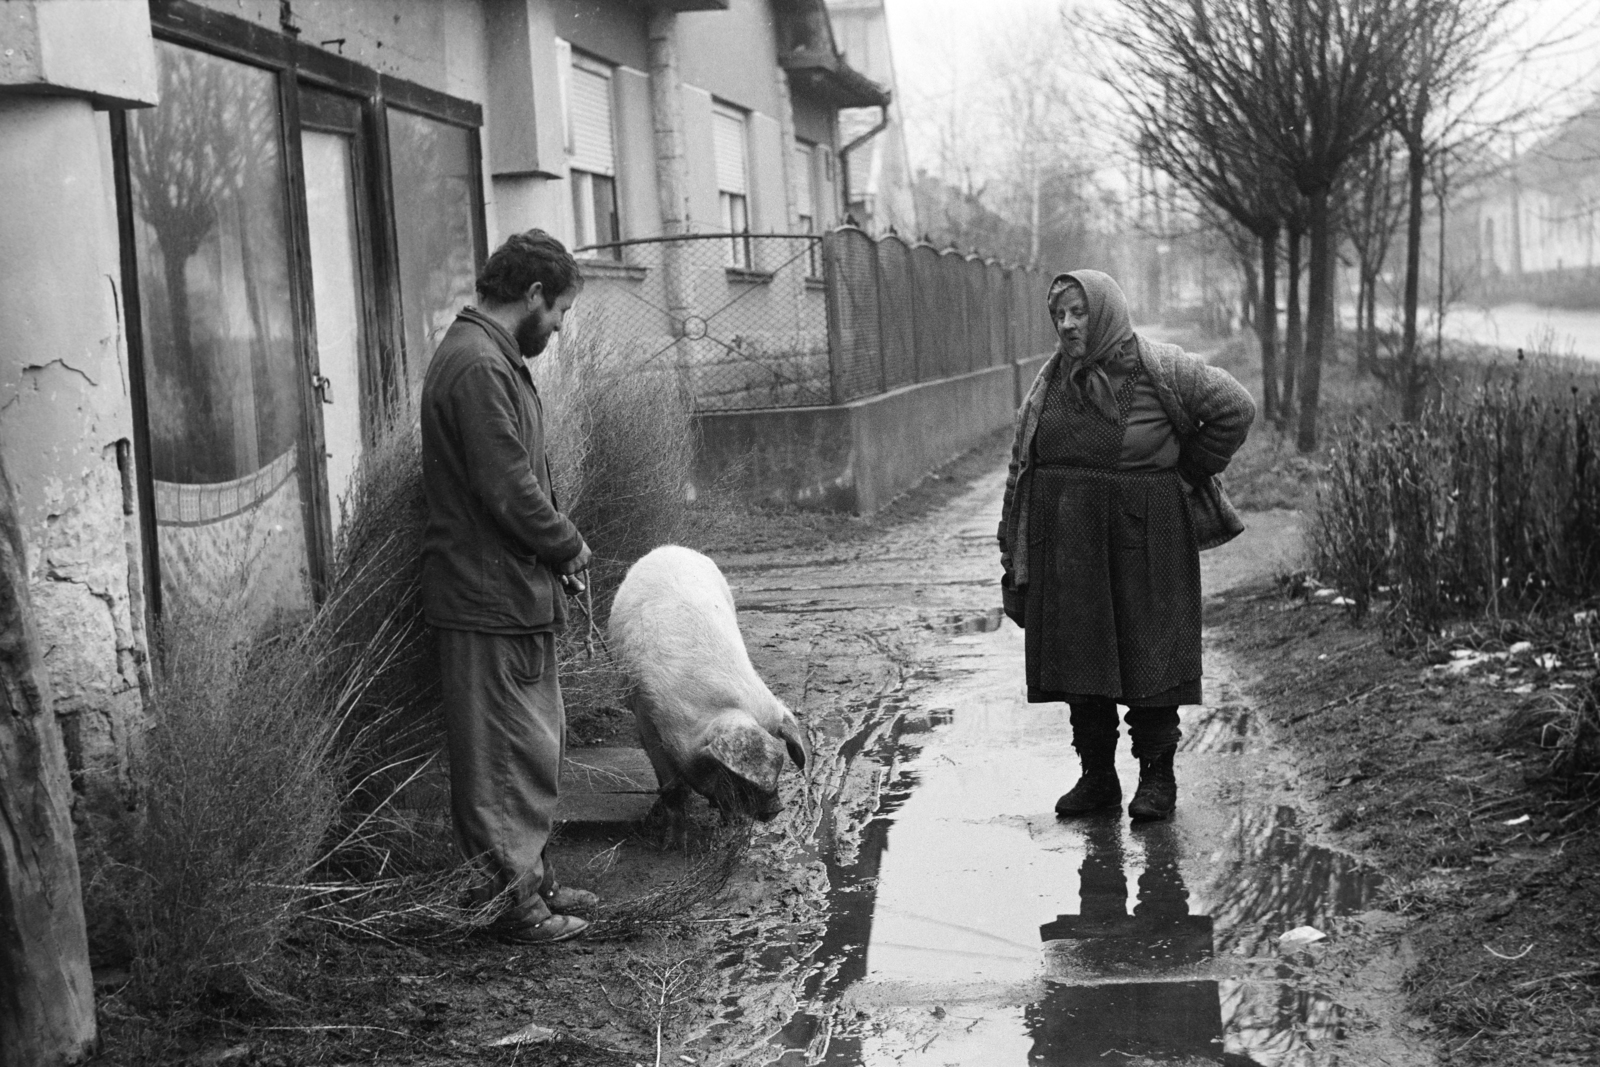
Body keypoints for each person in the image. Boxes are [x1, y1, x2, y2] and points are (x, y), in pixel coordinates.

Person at [997, 271, 1255, 822]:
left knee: (1151, 660)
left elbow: (1235, 408)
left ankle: (1157, 780)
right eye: (1059, 315)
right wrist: (1011, 556)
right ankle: (1098, 780)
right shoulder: (1050, 383)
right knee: (1079, 664)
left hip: (1148, 537)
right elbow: (1022, 469)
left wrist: (1187, 472)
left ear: (1107, 311)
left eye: (1078, 312)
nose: (1067, 324)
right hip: (1068, 546)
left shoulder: (1162, 368)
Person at [420, 229, 596, 943]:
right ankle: (515, 904)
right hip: (485, 598)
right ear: (530, 296)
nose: (557, 327)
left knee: (526, 747)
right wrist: (568, 542)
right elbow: (508, 486)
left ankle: (533, 878)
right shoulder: (478, 367)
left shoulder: (487, 358)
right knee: (498, 755)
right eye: (557, 311)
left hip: (507, 593)